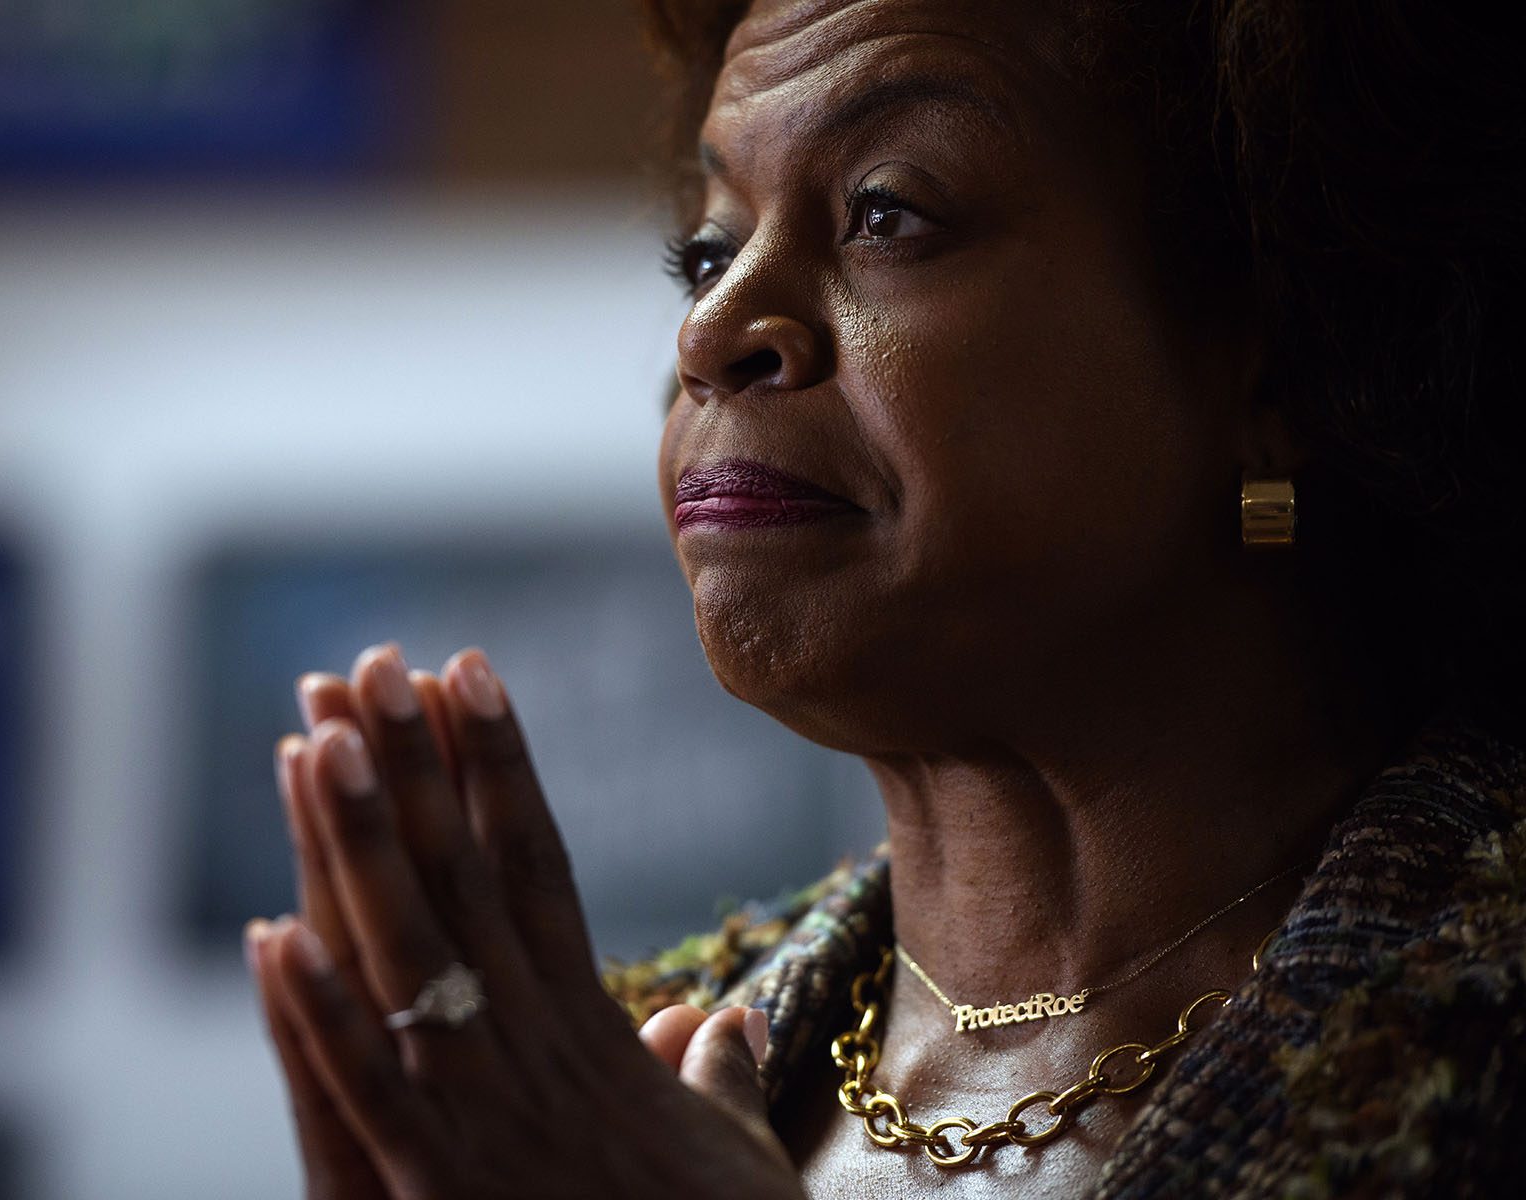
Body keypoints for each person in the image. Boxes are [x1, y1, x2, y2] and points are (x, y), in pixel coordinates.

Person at [242, 0, 1526, 1195]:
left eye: (886, 212)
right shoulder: (596, 1080)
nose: (709, 331)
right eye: (707, 249)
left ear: (1279, 361)